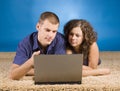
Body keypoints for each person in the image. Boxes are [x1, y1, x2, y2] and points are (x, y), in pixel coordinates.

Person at [9, 11, 66, 80]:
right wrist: (30, 62)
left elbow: (60, 70)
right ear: (38, 26)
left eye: (54, 31)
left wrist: (26, 70)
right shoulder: (25, 43)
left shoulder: (61, 41)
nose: (51, 35)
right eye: (47, 30)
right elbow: (13, 75)